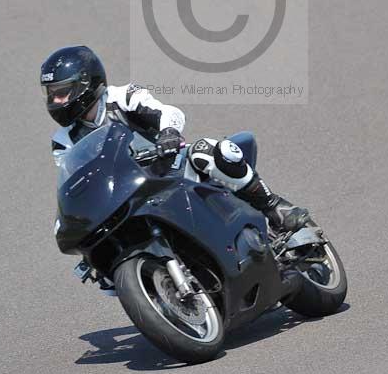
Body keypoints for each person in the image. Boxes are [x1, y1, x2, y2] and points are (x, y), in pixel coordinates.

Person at [41, 45, 310, 233]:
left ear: (86, 84)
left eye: (61, 92)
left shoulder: (122, 97)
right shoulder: (63, 141)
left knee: (207, 151)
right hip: (125, 193)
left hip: (168, 167)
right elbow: (75, 177)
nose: (56, 101)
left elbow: (168, 112)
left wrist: (168, 133)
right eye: (51, 94)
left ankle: (275, 208)